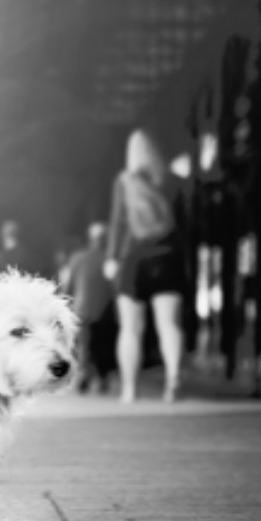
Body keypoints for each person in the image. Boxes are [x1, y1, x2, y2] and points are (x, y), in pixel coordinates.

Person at [103, 128, 189, 403]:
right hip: (168, 256)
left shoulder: (124, 181)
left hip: (134, 258)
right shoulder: (173, 180)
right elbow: (186, 223)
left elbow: (118, 222)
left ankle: (129, 389)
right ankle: (173, 378)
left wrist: (111, 257)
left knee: (130, 328)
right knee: (169, 325)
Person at [62, 221, 117, 394]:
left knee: (84, 345)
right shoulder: (110, 259)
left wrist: (67, 305)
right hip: (105, 310)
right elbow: (114, 286)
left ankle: (83, 376)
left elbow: (69, 286)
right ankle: (100, 378)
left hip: (82, 309)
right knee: (102, 344)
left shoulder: (77, 258)